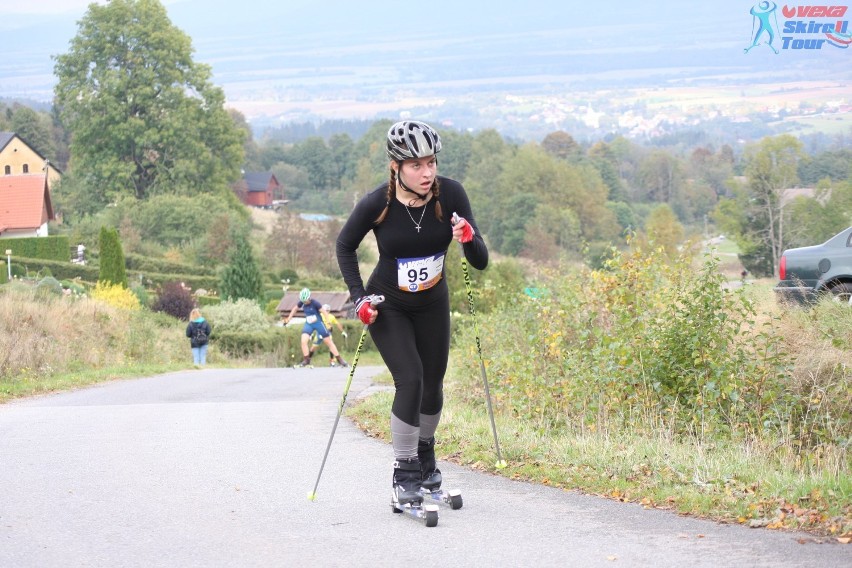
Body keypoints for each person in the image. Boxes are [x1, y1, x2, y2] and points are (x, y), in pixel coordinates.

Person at [336, 120, 488, 507]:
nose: (427, 173)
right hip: (389, 304)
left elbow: (481, 260)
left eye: (431, 163)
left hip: (433, 303)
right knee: (412, 379)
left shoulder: (451, 194)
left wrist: (469, 238)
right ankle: (404, 474)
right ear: (396, 167)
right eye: (417, 165)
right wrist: (359, 298)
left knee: (434, 385)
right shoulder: (378, 203)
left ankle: (425, 461)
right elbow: (345, 246)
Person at [284, 288, 348, 368]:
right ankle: (306, 360)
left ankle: (340, 360)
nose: (305, 303)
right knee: (303, 341)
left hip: (318, 323)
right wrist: (288, 319)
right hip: (309, 324)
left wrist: (328, 322)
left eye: (306, 301)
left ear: (309, 297)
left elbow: (324, 312)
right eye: (303, 301)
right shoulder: (302, 302)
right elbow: (295, 309)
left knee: (328, 342)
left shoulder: (315, 303)